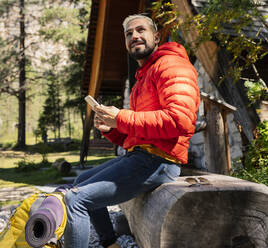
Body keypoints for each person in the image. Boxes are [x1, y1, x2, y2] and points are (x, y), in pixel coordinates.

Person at [63, 14, 200, 248]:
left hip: (159, 161)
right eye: (128, 34)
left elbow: (180, 121)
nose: (134, 36)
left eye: (140, 30)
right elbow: (137, 133)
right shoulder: (142, 78)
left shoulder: (171, 65)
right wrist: (111, 128)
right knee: (80, 181)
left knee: (75, 200)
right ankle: (110, 243)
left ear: (156, 37)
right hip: (141, 156)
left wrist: (121, 117)